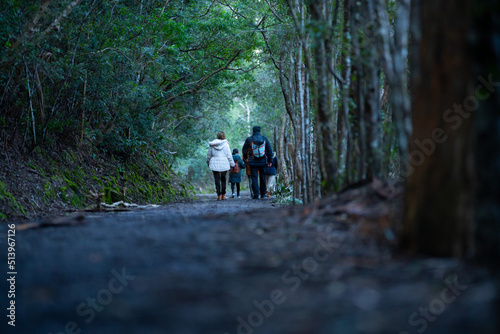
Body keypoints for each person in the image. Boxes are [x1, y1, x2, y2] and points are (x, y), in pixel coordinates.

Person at [242, 126, 274, 199]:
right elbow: (269, 150)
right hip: (263, 161)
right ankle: (263, 194)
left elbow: (244, 149)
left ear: (253, 131)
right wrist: (270, 161)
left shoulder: (249, 139)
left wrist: (246, 158)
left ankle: (256, 194)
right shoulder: (264, 139)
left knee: (254, 177)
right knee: (262, 177)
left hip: (252, 161)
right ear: (259, 131)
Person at [207, 131, 235, 201]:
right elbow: (229, 156)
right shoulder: (226, 145)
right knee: (223, 179)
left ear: (217, 136)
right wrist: (232, 164)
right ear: (224, 136)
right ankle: (223, 195)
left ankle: (218, 195)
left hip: (214, 163)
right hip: (224, 163)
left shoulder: (212, 144)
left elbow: (208, 156)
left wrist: (208, 163)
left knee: (217, 180)